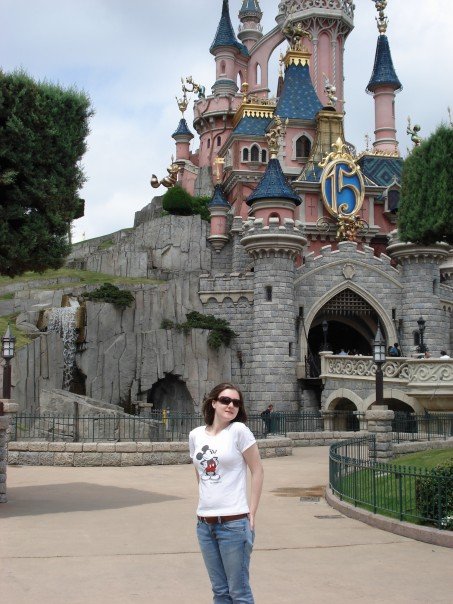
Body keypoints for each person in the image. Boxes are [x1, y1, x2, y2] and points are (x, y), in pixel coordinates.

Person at [189, 383, 264, 603]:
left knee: (238, 591)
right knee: (220, 591)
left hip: (234, 523)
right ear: (213, 403)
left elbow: (257, 470)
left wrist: (252, 512)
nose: (231, 405)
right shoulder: (195, 436)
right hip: (204, 524)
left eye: (236, 402)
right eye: (225, 400)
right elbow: (199, 472)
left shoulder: (239, 431)